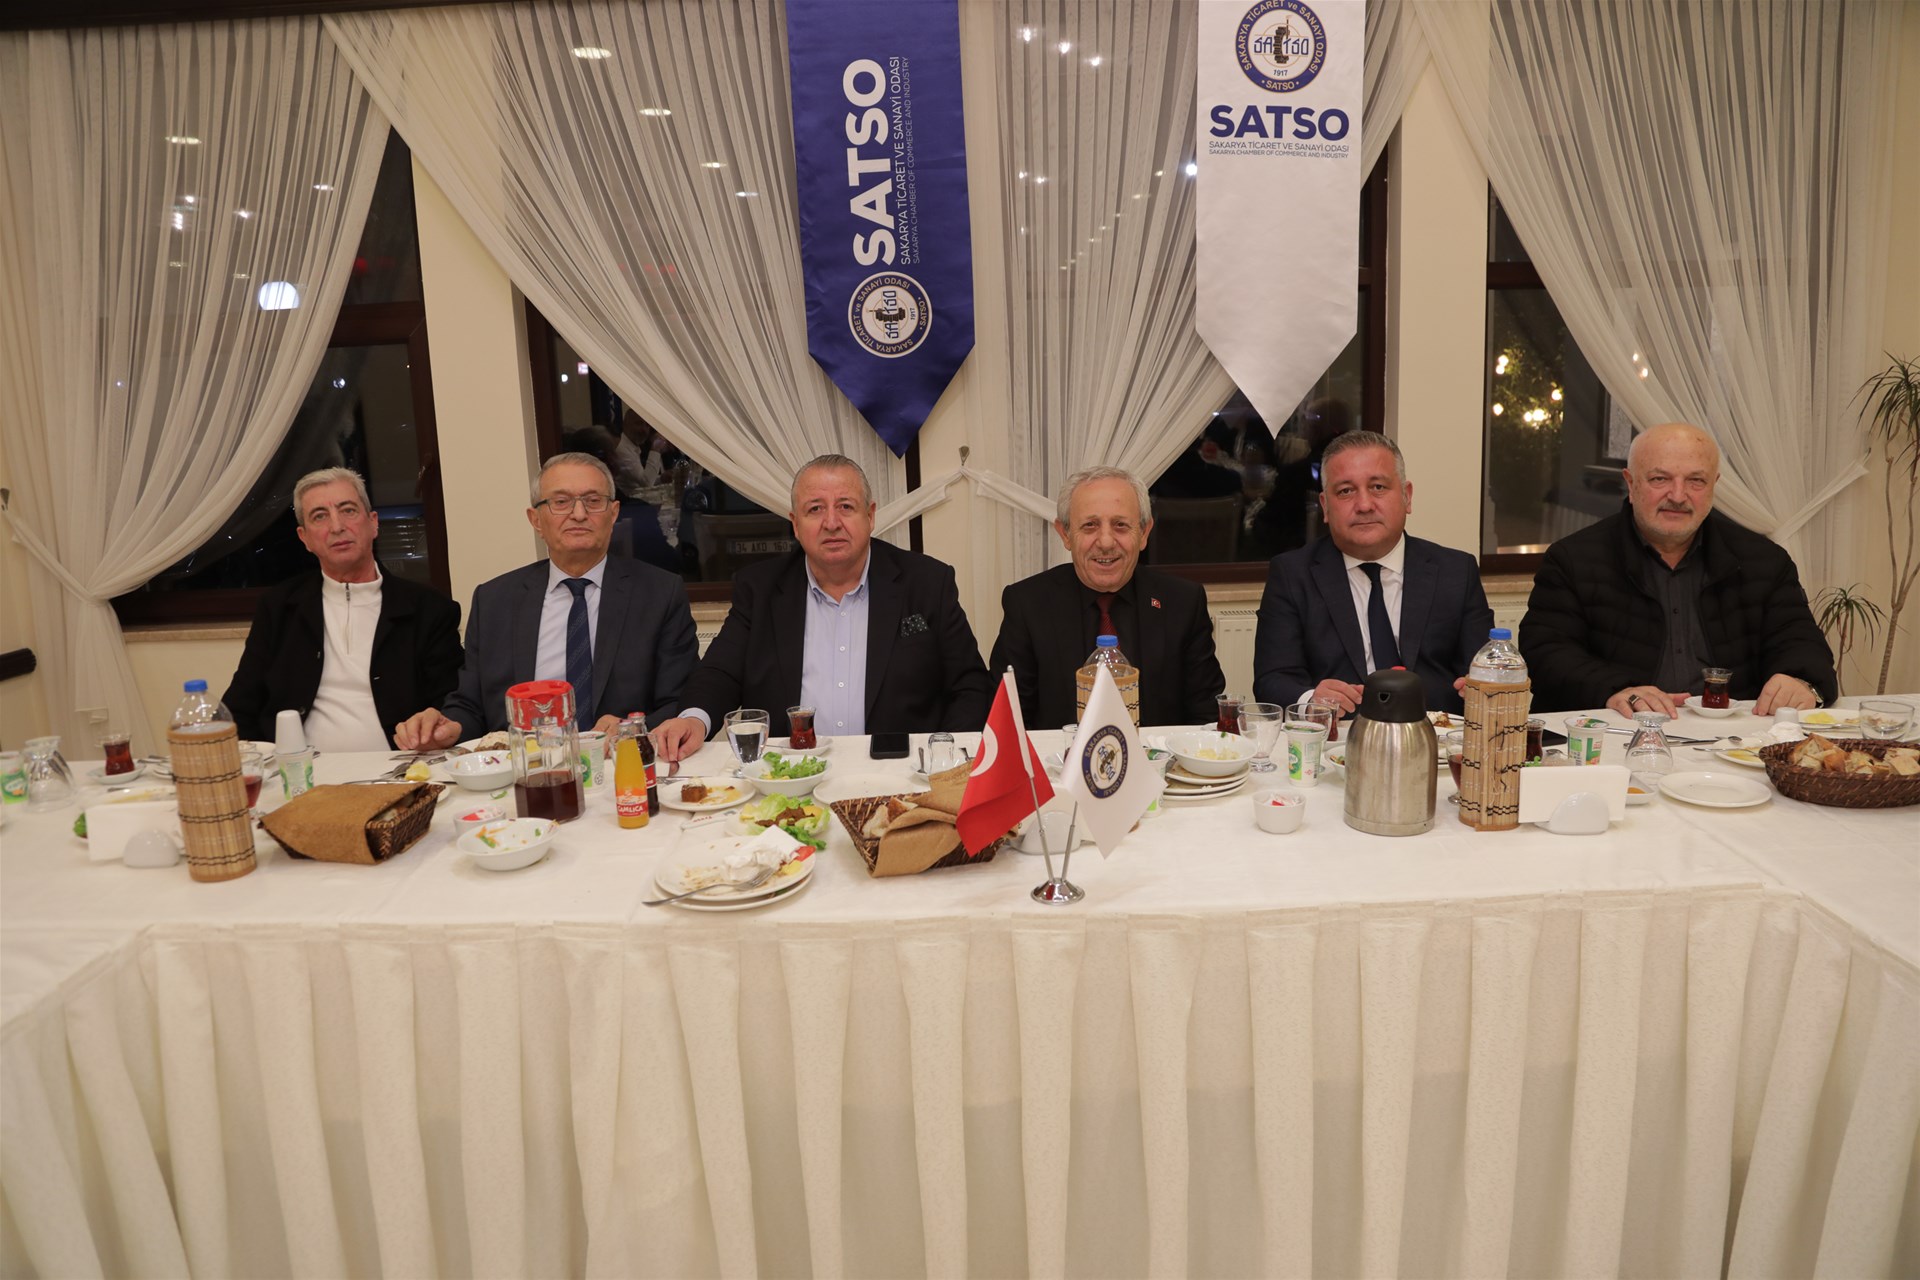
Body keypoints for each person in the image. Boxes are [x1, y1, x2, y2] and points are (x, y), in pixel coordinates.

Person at [651, 455, 994, 760]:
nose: (831, 522)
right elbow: (720, 673)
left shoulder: (927, 582)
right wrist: (693, 719)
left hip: (898, 773)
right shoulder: (760, 588)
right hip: (793, 775)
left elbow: (970, 685)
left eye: (846, 506)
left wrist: (943, 759)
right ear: (795, 524)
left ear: (870, 515)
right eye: (815, 509)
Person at [1519, 421, 1836, 716]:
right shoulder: (1573, 559)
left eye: (1696, 481)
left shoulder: (1763, 560)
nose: (1678, 495)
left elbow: (1801, 643)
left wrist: (1799, 680)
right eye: (1660, 479)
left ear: (1714, 485)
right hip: (1619, 731)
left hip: (1733, 735)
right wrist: (1616, 690)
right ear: (1631, 483)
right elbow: (1546, 653)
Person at [394, 452, 699, 748]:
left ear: (614, 513)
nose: (579, 514)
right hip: (525, 766)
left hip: (619, 763)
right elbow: (471, 705)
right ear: (536, 519)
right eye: (561, 502)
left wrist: (631, 729)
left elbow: (681, 701)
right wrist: (448, 727)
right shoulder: (494, 601)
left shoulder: (659, 593)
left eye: (593, 501)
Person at [1252, 431, 1494, 716]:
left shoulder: (1456, 571)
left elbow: (1483, 673)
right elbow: (1272, 680)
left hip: (1435, 733)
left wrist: (1482, 687)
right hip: (1341, 735)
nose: (1364, 505)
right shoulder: (1292, 575)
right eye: (1346, 491)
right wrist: (1311, 699)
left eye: (1378, 487)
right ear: (1325, 506)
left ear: (1407, 497)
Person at [223, 468, 464, 750]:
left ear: (373, 523)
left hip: (400, 765)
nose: (337, 526)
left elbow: (451, 707)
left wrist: (430, 731)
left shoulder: (429, 609)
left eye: (348, 510)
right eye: (320, 516)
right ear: (304, 538)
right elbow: (240, 706)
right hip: (300, 768)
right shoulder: (279, 607)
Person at [990, 466, 1225, 727]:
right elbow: (1008, 722)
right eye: (1089, 526)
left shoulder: (1183, 602)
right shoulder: (1026, 604)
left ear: (1144, 533)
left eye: (1120, 525)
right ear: (1065, 534)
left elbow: (1207, 718)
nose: (1105, 542)